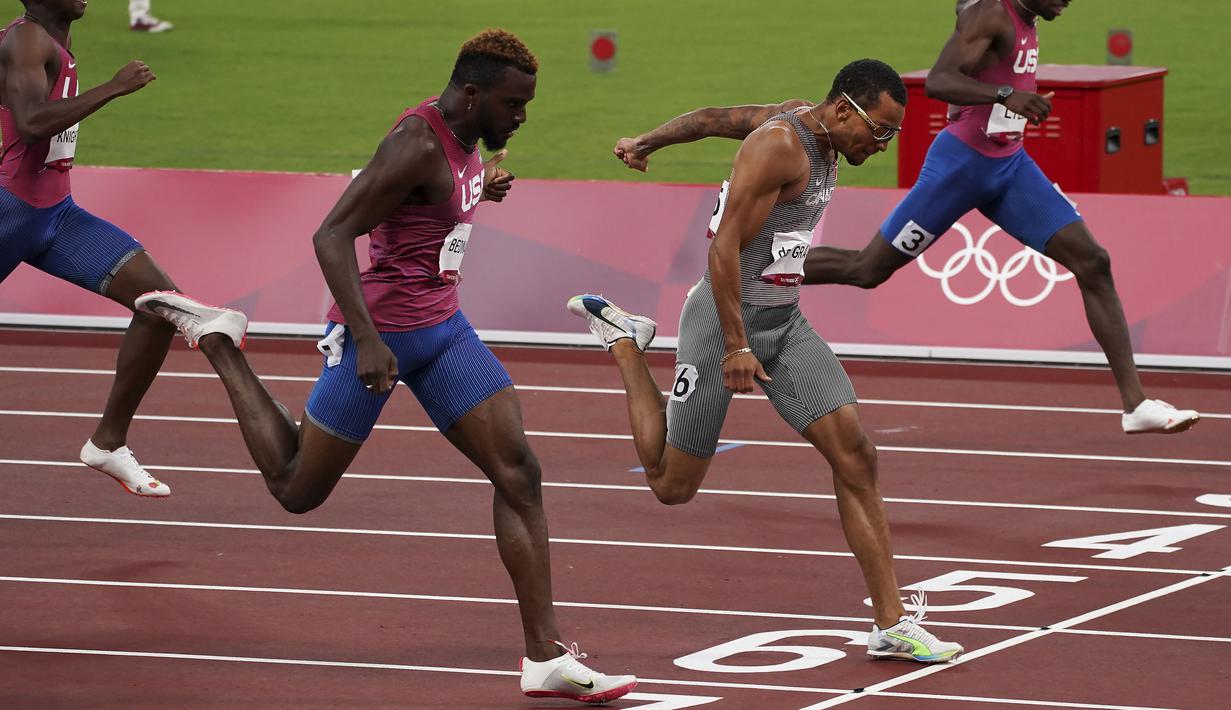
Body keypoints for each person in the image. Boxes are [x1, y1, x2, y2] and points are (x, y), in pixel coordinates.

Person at [135, 29, 637, 703]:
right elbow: (331, 233)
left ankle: (543, 658)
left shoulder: (462, 143)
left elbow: (428, 206)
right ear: (471, 93)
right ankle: (220, 341)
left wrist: (478, 190)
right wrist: (368, 339)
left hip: (443, 331)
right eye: (514, 104)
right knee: (296, 489)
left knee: (519, 471)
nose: (522, 116)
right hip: (382, 334)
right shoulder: (417, 142)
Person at [615, 0, 1200, 437]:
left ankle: (1135, 404)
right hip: (963, 167)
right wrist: (1004, 97)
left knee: (1093, 260)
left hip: (1010, 167)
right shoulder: (991, 14)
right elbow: (940, 80)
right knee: (868, 267)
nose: (1068, 3)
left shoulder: (1024, 14)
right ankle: (747, 275)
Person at [573, 59, 963, 663]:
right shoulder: (780, 147)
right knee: (671, 485)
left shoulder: (806, 122)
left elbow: (709, 119)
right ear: (843, 110)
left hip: (783, 320)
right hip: (722, 319)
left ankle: (889, 622)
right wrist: (735, 344)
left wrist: (648, 140)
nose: (881, 146)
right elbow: (723, 248)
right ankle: (624, 341)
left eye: (891, 135)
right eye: (878, 131)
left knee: (856, 453)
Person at [0, 0, 205, 497]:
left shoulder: (55, 39)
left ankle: (108, 442)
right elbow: (30, 123)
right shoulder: (26, 39)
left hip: (55, 216)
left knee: (161, 306)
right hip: (7, 212)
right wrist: (113, 88)